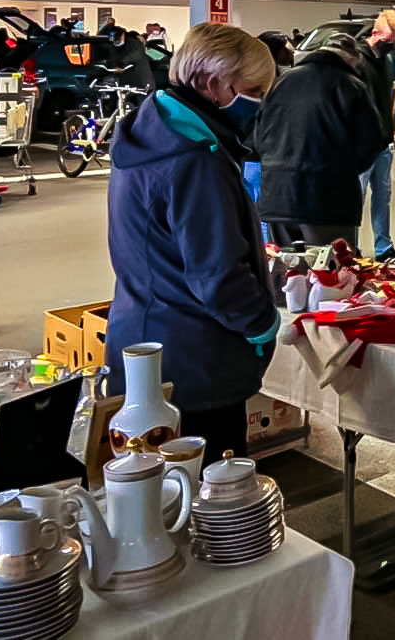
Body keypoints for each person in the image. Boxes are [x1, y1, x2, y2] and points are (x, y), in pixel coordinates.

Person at [104, 23, 280, 462]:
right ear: (212, 82)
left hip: (143, 344)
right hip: (196, 364)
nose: (258, 103)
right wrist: (263, 326)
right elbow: (218, 276)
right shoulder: (196, 159)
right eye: (252, 90)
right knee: (206, 492)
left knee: (151, 489)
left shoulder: (150, 132)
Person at [256, 32, 388, 248]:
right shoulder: (350, 85)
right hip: (327, 199)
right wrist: (342, 171)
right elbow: (371, 143)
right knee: (333, 266)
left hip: (277, 197)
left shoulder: (281, 82)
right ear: (352, 60)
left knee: (287, 265)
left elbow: (260, 136)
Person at [356, 10, 395, 267]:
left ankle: (384, 247)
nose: (392, 44)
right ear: (375, 33)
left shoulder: (386, 61)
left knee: (383, 197)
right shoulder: (358, 60)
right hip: (360, 146)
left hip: (383, 144)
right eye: (389, 39)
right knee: (356, 200)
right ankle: (350, 249)